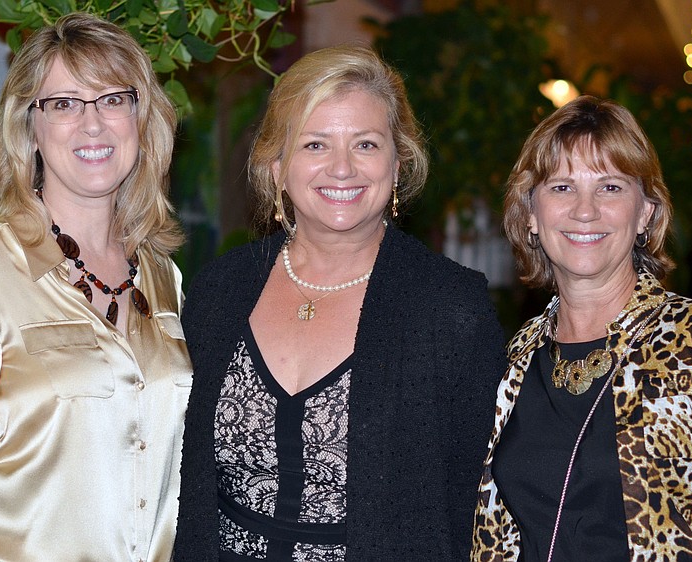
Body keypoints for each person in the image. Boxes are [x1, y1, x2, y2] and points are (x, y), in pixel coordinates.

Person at [174, 44, 506, 561]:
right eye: (315, 145)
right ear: (276, 165)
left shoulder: (450, 309)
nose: (343, 169)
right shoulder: (218, 291)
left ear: (397, 164)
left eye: (366, 145)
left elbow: (475, 508)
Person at [0, 13, 192, 561]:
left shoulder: (164, 276)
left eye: (113, 99)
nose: (93, 124)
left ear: (142, 118)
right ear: (29, 127)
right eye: (63, 104)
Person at [471, 95, 692, 561]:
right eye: (562, 187)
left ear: (646, 212)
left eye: (610, 187)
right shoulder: (517, 356)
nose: (585, 211)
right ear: (531, 214)